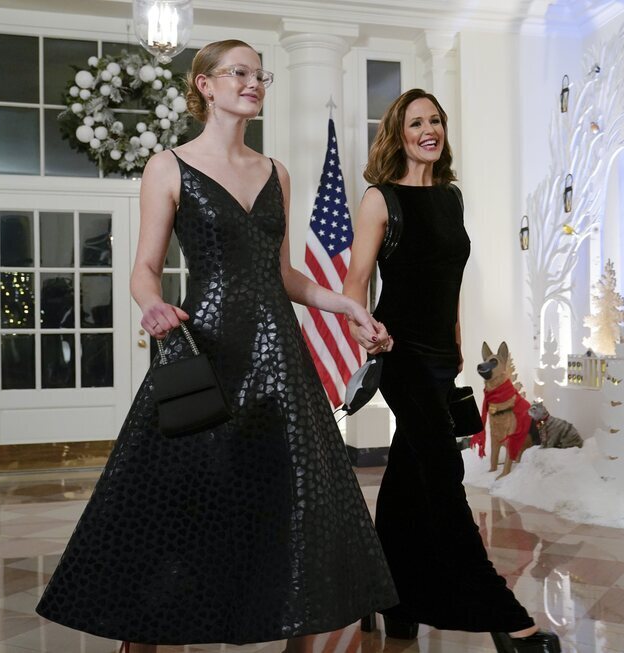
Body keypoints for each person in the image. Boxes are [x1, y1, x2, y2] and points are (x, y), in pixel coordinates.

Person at [36, 40, 398, 653]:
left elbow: (282, 272)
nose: (254, 83)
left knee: (297, 504)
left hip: (279, 357)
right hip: (206, 351)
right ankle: (152, 635)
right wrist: (151, 305)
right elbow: (144, 267)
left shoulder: (276, 172)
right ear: (205, 85)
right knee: (180, 503)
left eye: (261, 75)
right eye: (240, 73)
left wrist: (347, 306)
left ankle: (292, 622)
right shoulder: (168, 166)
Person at [343, 88, 561, 653]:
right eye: (416, 123)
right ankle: (505, 615)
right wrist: (365, 329)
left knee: (407, 478)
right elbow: (355, 282)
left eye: (435, 120)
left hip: (442, 353)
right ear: (398, 134)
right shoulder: (379, 199)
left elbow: (449, 276)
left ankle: (386, 594)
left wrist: (457, 337)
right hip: (401, 352)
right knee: (443, 477)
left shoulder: (451, 198)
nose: (428, 130)